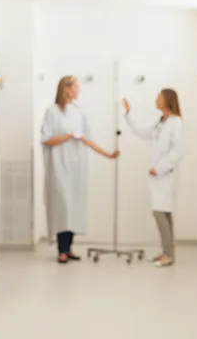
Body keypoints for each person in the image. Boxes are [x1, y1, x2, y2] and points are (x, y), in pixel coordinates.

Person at [41, 76, 119, 264]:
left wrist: (107, 154)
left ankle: (69, 249)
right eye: (76, 86)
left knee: (74, 207)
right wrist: (68, 136)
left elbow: (86, 139)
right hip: (59, 165)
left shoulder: (79, 112)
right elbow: (47, 139)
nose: (79, 90)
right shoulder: (52, 112)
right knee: (63, 207)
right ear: (66, 89)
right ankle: (61, 250)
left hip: (77, 166)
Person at [122, 89, 184, 267]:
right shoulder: (161, 121)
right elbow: (142, 131)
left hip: (165, 175)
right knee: (164, 212)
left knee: (161, 213)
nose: (155, 100)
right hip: (157, 175)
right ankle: (167, 253)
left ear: (167, 100)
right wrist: (128, 114)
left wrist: (159, 168)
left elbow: (178, 151)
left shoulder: (176, 123)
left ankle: (168, 254)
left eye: (159, 97)